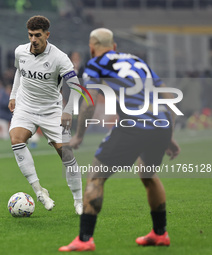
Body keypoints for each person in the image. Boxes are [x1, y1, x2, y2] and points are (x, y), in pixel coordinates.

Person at [59, 28, 181, 251]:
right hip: (160, 124)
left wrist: (78, 136)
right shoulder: (137, 61)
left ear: (91, 47)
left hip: (134, 125)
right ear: (114, 46)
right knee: (148, 174)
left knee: (95, 176)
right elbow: (167, 95)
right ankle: (160, 233)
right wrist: (169, 134)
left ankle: (85, 240)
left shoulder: (96, 63)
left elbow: (89, 101)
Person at [8, 15, 83, 214]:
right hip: (25, 107)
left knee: (66, 154)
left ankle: (79, 201)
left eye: (38, 35)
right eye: (30, 35)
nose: (33, 39)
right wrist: (13, 95)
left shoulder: (59, 57)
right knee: (16, 139)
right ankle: (39, 191)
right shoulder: (20, 51)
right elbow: (19, 71)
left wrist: (68, 111)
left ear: (47, 35)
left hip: (51, 110)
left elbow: (76, 86)